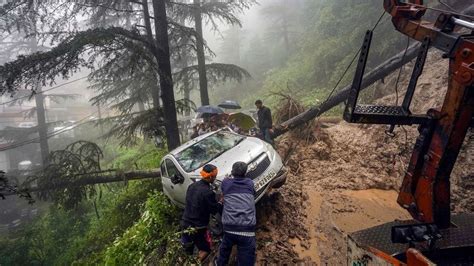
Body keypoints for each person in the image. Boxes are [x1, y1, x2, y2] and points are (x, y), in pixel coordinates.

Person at [217, 162, 256, 266]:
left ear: (232, 172)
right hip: (247, 230)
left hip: (229, 228)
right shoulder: (250, 183)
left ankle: (220, 263)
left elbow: (222, 194)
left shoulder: (225, 182)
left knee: (224, 252)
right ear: (245, 172)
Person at [181, 164, 222, 262]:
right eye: (215, 176)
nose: (215, 178)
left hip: (185, 222)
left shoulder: (191, 186)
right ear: (211, 177)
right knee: (206, 250)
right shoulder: (207, 192)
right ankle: (196, 262)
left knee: (188, 249)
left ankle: (188, 259)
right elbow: (214, 210)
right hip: (198, 227)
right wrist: (221, 201)